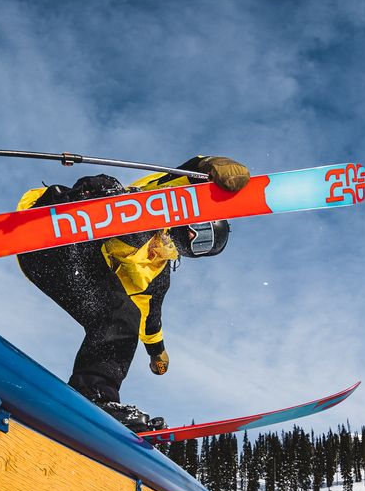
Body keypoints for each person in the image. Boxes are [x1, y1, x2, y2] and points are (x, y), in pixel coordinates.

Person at [16, 156, 250, 431]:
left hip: (59, 267)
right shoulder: (159, 204)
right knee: (107, 186)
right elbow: (181, 175)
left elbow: (149, 319)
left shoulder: (156, 274)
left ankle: (93, 395)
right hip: (61, 228)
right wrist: (210, 166)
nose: (192, 239)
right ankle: (63, 206)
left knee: (122, 316)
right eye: (201, 230)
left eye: (203, 245)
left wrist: (156, 352)